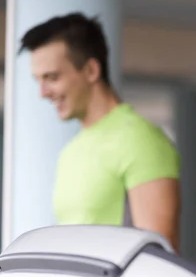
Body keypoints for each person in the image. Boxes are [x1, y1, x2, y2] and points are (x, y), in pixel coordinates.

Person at [19, 13, 182, 253]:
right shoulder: (72, 150)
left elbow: (159, 262)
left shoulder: (140, 139)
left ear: (91, 70)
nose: (43, 93)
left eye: (52, 77)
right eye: (38, 81)